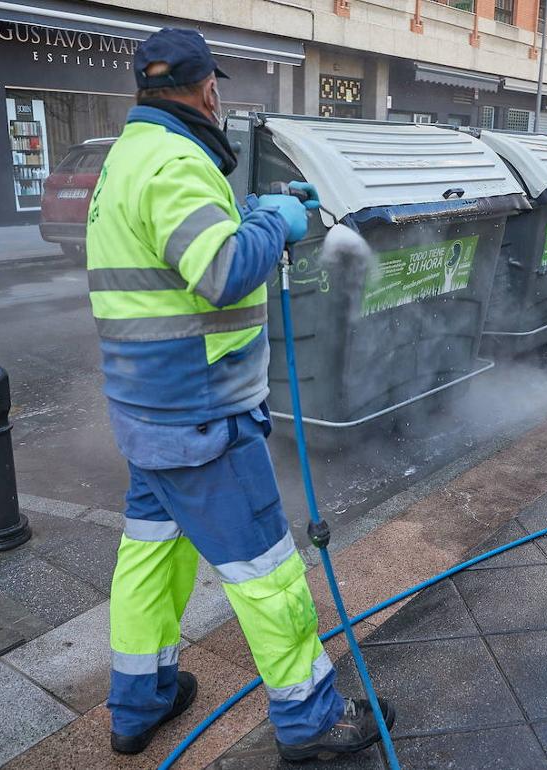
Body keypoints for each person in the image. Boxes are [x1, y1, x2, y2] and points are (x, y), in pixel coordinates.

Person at [86, 28, 395, 762]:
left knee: (150, 560)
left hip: (148, 412)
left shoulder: (127, 156)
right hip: (202, 417)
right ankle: (311, 720)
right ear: (208, 91)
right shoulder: (174, 160)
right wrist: (276, 222)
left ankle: (140, 700)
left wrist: (251, 213)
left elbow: (176, 259)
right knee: (266, 571)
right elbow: (222, 272)